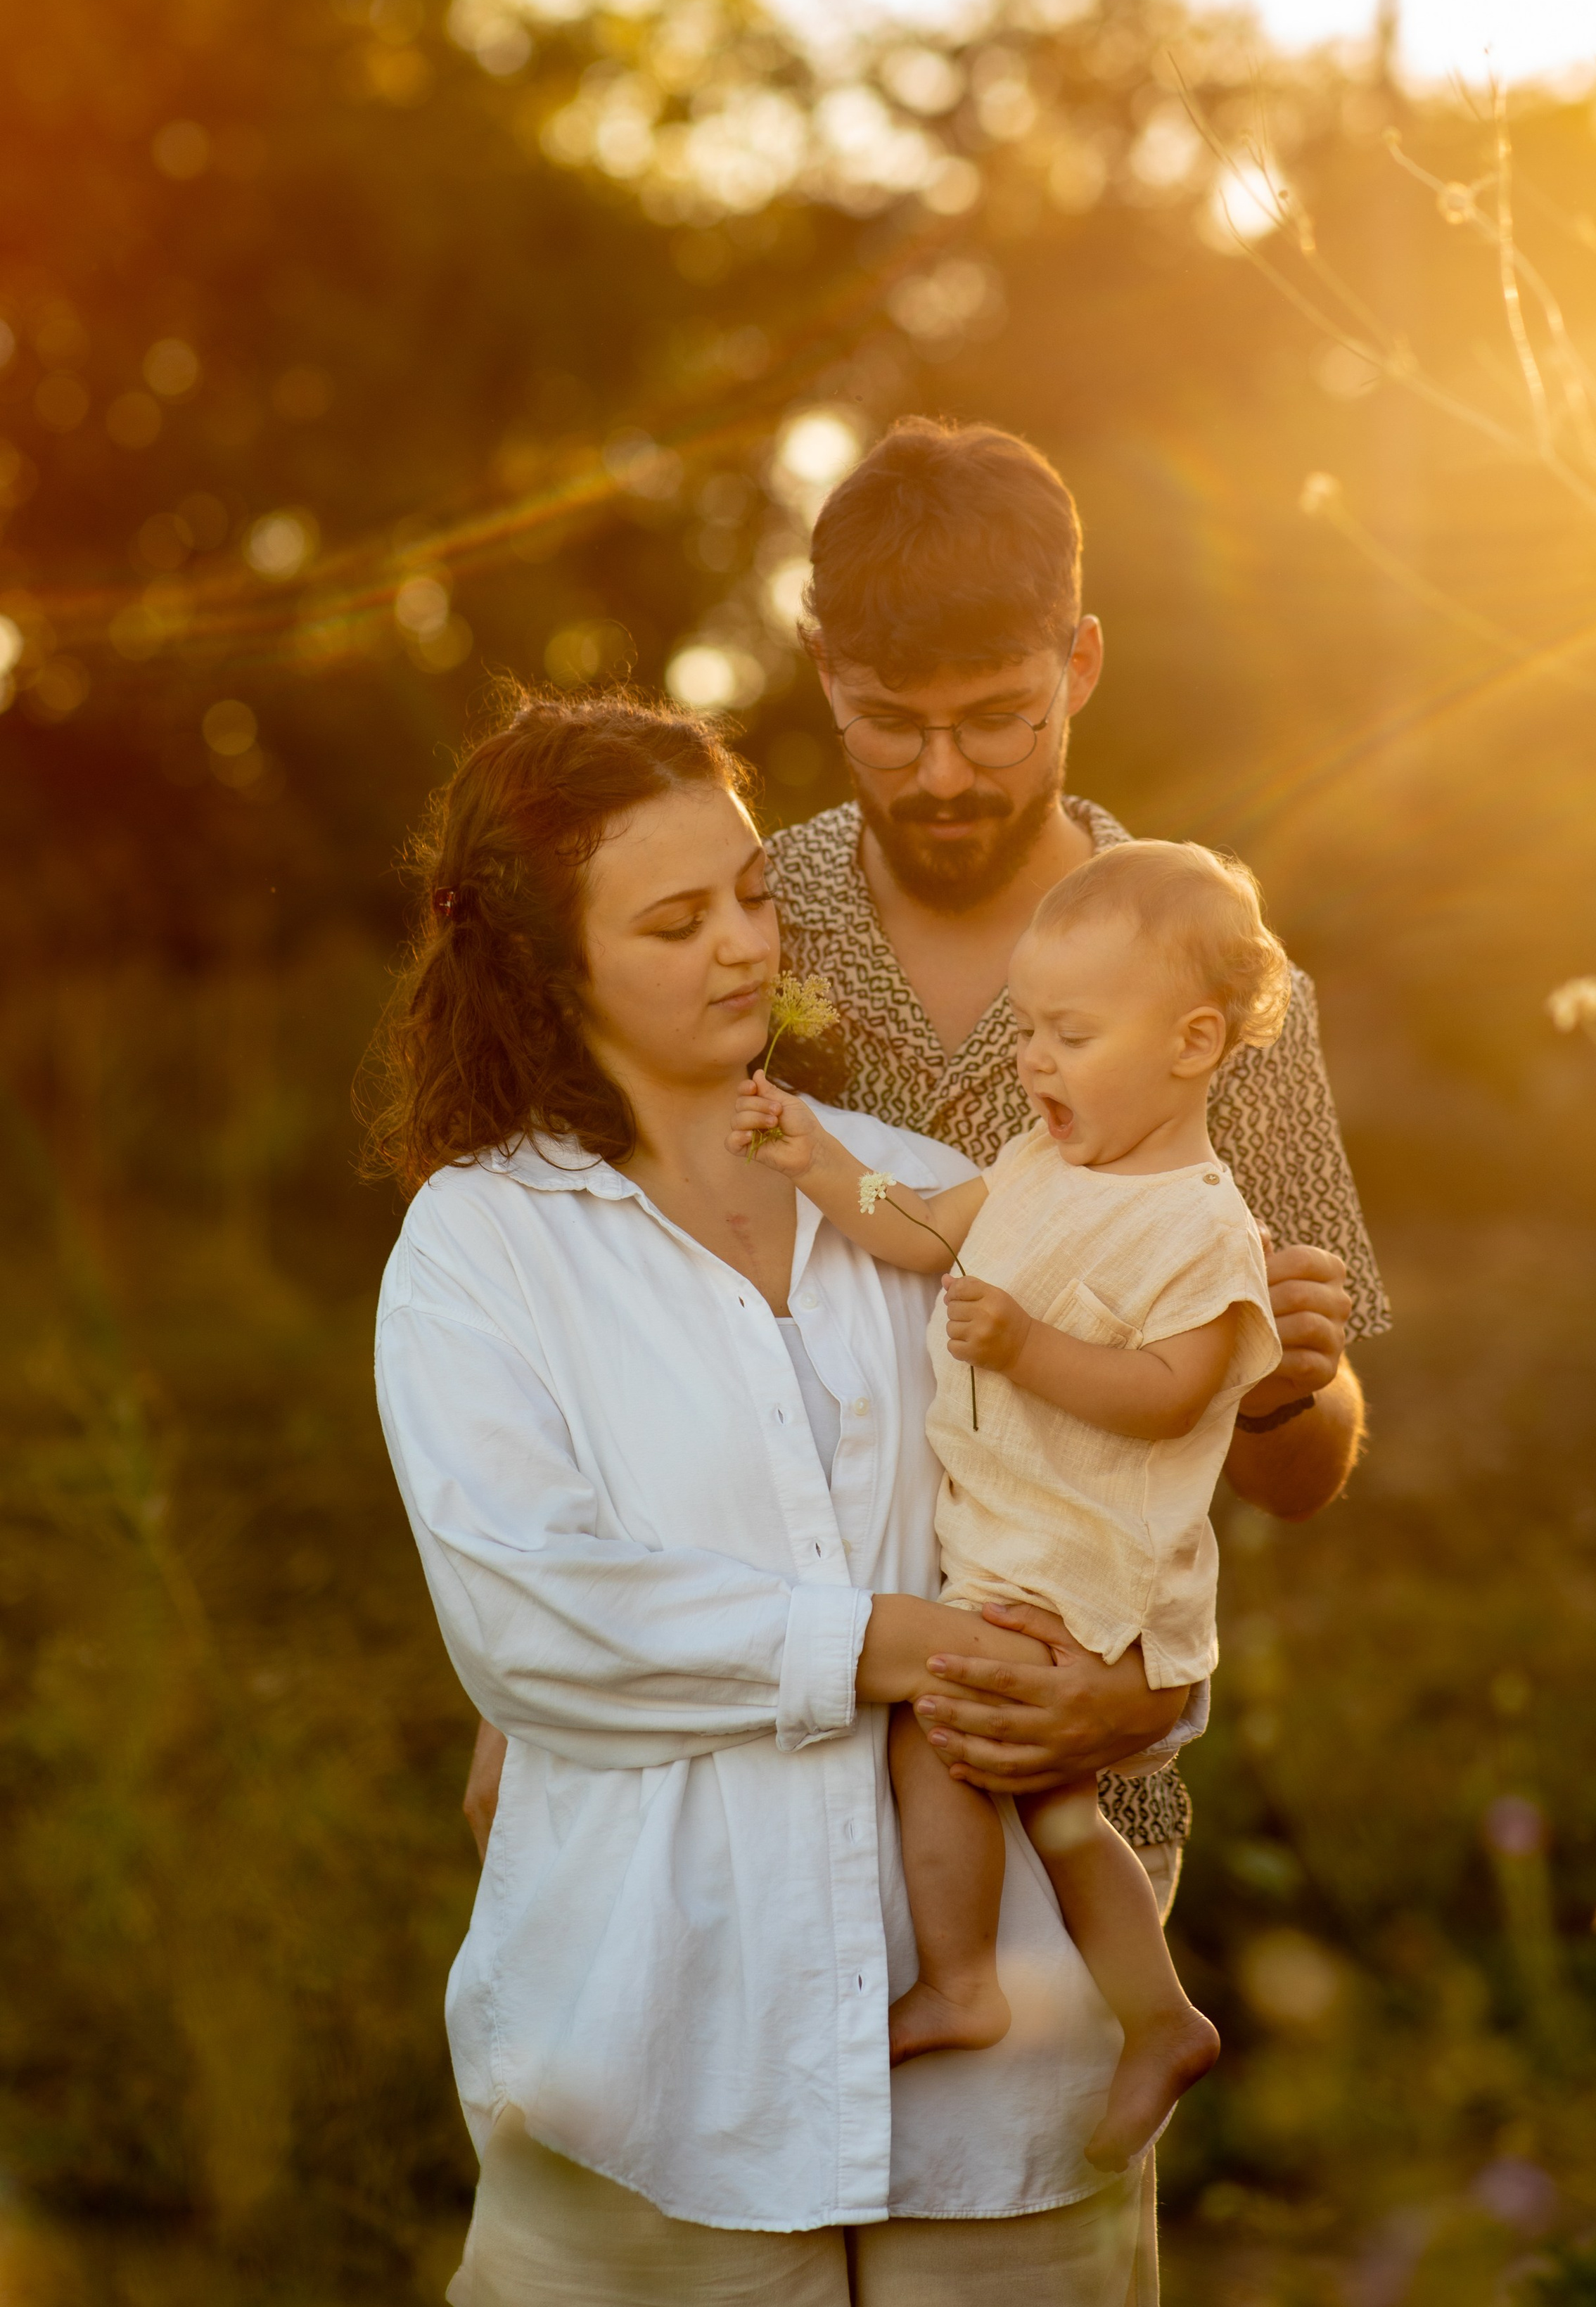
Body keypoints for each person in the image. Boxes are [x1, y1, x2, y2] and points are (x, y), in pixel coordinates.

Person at [465, 416, 1388, 1888]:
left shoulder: (1225, 987)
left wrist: (1283, 1391)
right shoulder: (746, 923)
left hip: (1069, 1771)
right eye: (891, 721)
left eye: (999, 717)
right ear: (823, 667)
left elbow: (1298, 1467)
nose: (945, 772)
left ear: (1078, 663)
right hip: (741, 1762)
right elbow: (590, 1269)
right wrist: (539, 1685)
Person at [369, 687, 1200, 2303]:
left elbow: (1108, 1496)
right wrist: (881, 1640)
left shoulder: (918, 1196)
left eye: (752, 893)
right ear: (550, 968)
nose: (744, 945)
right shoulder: (482, 1247)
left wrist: (1139, 1688)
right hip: (654, 2071)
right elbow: (530, 1616)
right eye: (674, 921)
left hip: (1000, 2089)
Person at [733, 838, 1289, 2173]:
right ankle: (1157, 2015)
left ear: (1193, 1041)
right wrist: (814, 1161)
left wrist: (1028, 1347)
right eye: (1028, 1027)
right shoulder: (1041, 1169)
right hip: (1014, 1556)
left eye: (1072, 1032)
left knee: (950, 1736)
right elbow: (926, 1230)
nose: (1035, 1060)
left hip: (1094, 1574)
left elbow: (1173, 1392)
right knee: (1048, 1807)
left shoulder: (1204, 1226)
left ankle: (968, 1980)